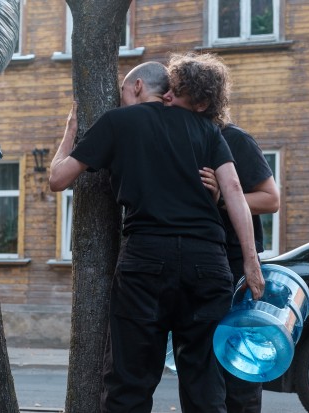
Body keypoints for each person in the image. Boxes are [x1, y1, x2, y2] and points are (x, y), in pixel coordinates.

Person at [49, 60, 264, 413]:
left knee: (129, 380)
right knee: (205, 382)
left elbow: (58, 179)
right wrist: (251, 264)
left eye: (121, 92)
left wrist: (71, 131)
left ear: (135, 87)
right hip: (208, 264)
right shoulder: (208, 130)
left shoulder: (117, 122)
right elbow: (236, 191)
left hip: (146, 260)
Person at [167, 53, 280, 413]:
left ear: (202, 102)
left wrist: (223, 198)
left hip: (234, 270)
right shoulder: (176, 141)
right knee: (199, 369)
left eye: (177, 91)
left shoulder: (234, 139)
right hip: (196, 268)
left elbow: (270, 199)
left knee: (237, 372)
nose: (167, 97)